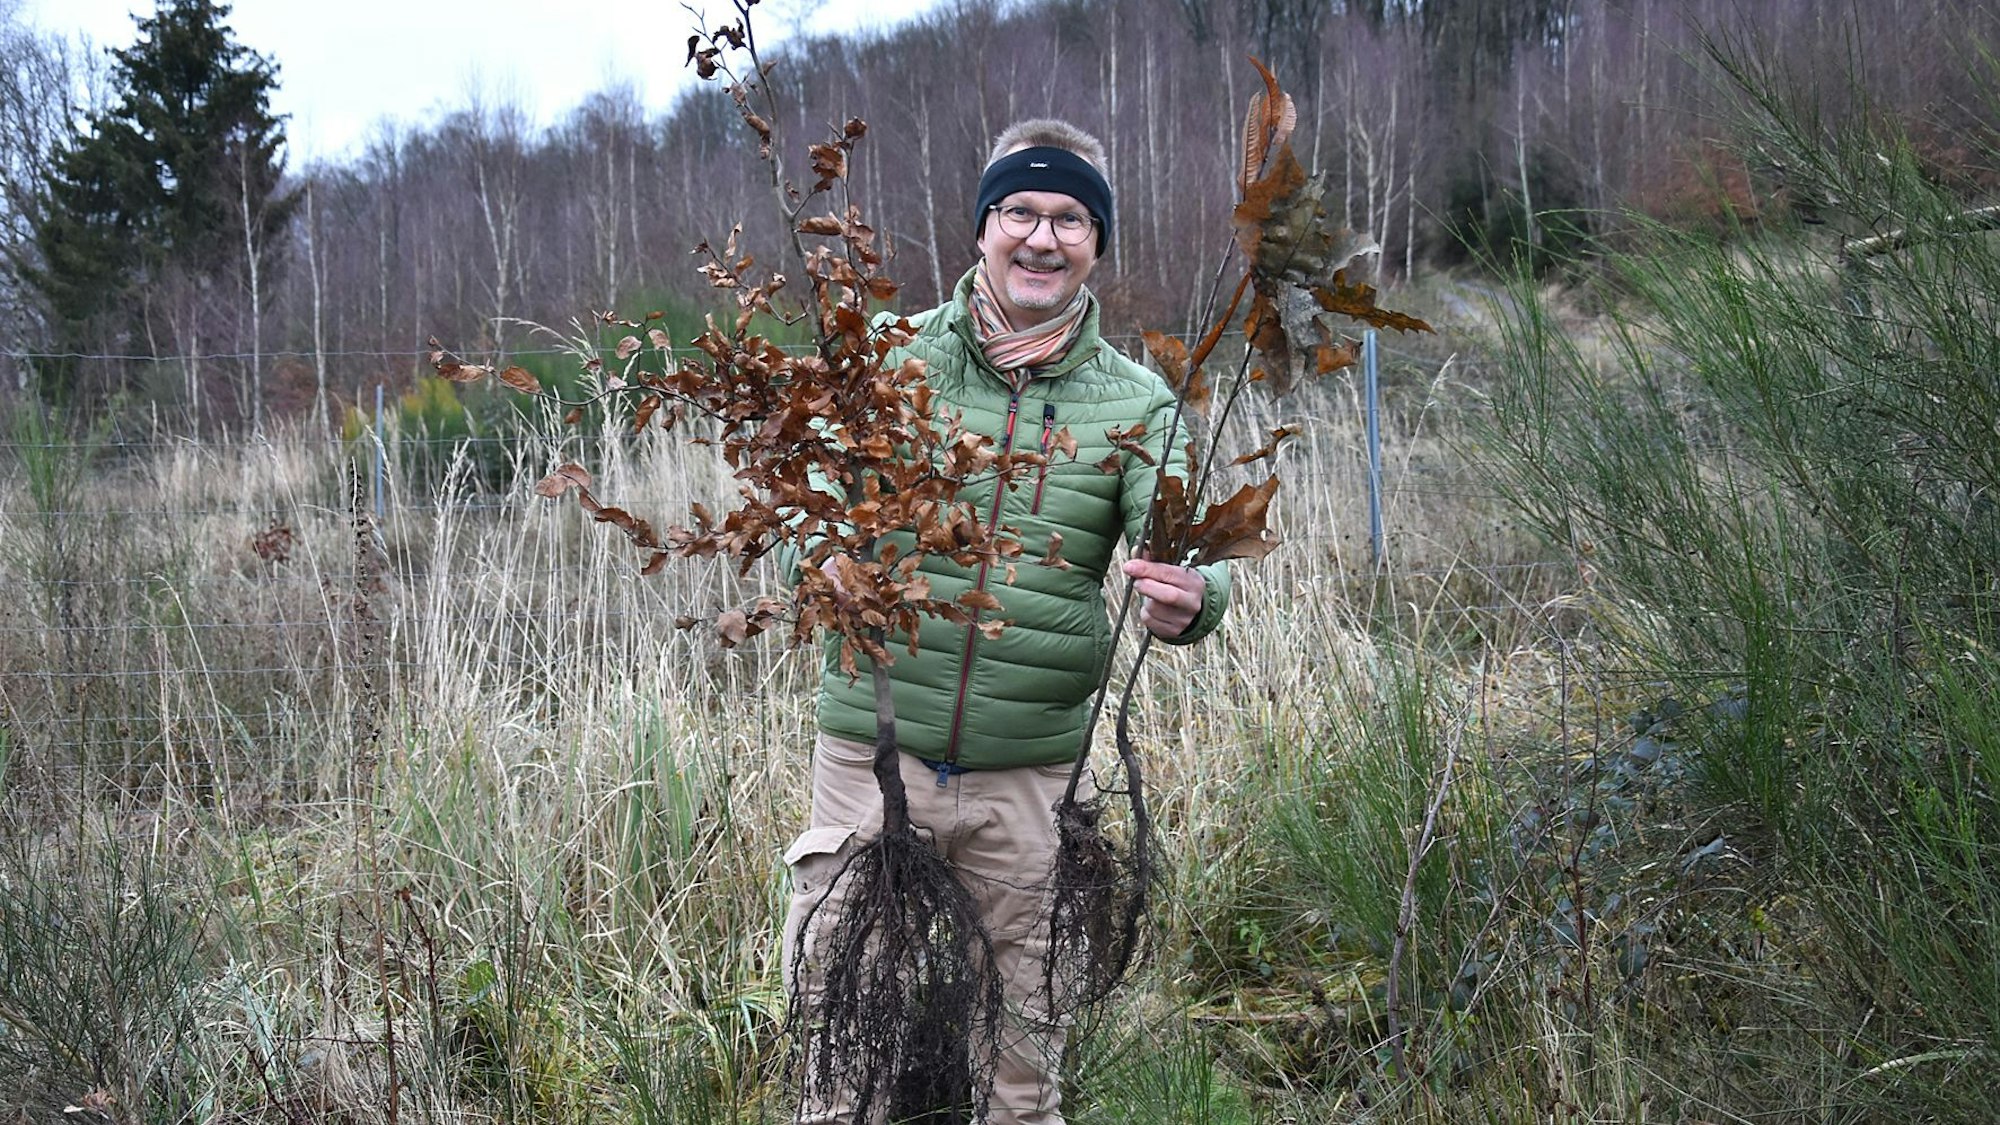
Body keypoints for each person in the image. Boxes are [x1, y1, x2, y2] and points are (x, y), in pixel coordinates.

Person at [781, 118, 1231, 1125]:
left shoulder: (1137, 405)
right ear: (982, 227)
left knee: (1021, 1072)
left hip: (1030, 776)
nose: (1041, 237)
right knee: (837, 1056)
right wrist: (821, 557)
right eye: (1019, 211)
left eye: (1070, 218)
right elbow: (807, 508)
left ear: (1096, 243)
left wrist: (1194, 599)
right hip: (871, 757)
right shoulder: (887, 361)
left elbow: (1188, 545)